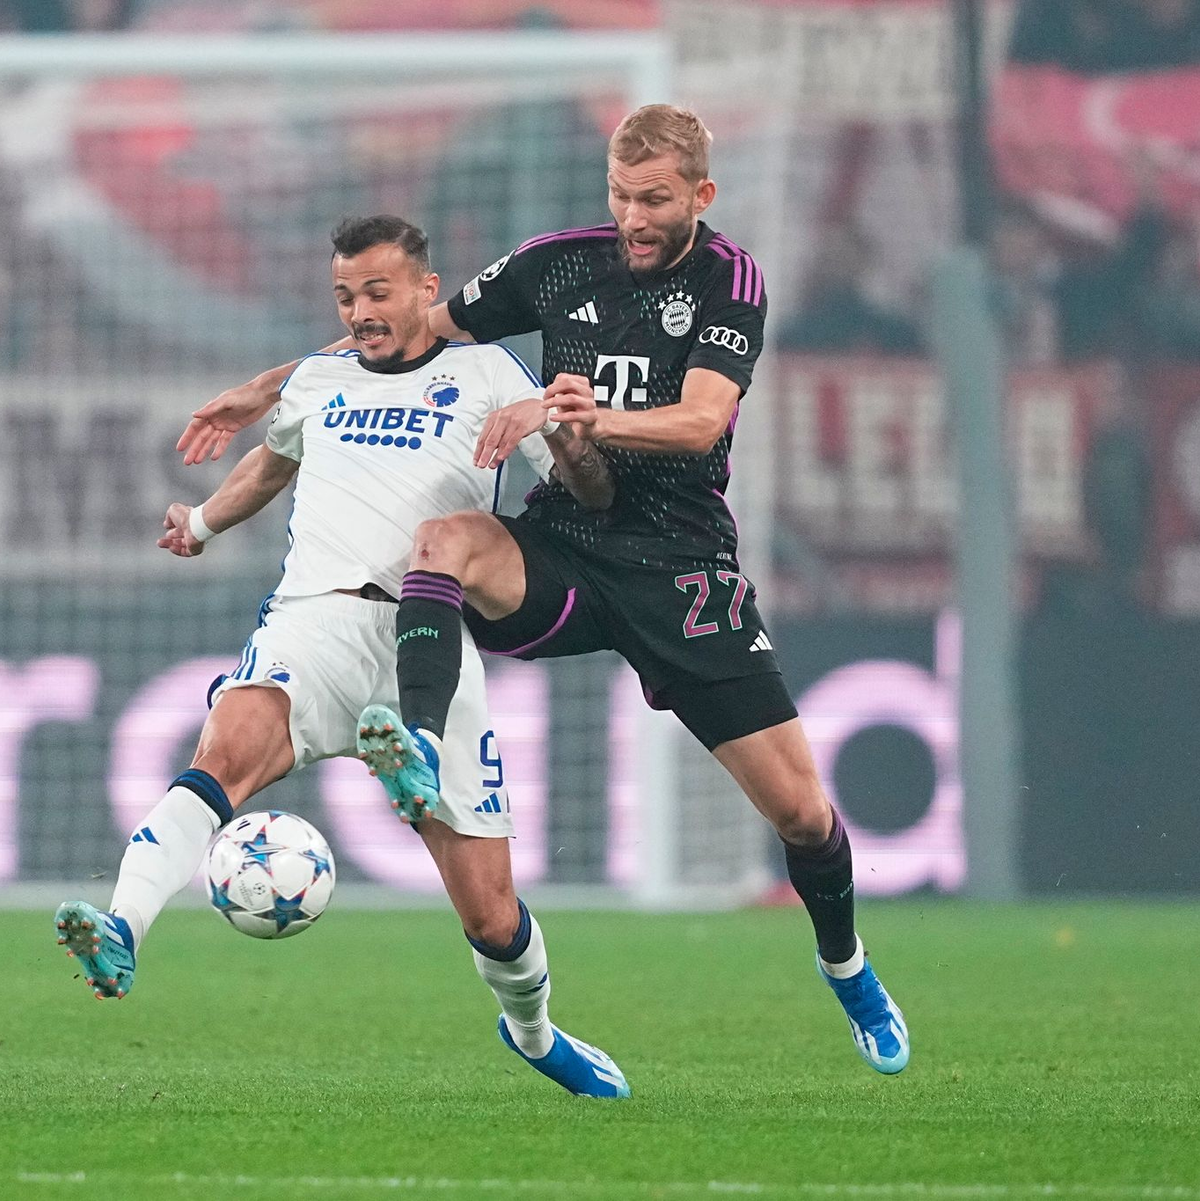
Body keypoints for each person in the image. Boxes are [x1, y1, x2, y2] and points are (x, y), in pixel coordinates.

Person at [179, 105, 911, 1077]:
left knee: (802, 817)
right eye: (621, 196)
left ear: (702, 195)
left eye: (655, 199)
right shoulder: (560, 264)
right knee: (440, 542)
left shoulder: (731, 282)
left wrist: (579, 412)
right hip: (564, 542)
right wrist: (268, 388)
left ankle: (848, 965)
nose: (635, 217)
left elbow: (699, 423)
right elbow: (399, 334)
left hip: (680, 568)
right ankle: (422, 747)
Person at [54, 214, 630, 1101]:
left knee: (491, 913)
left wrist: (566, 429)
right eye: (345, 296)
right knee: (222, 754)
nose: (361, 310)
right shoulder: (319, 381)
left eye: (377, 291)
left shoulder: (485, 373)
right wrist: (203, 523)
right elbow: (271, 464)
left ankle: (535, 1031)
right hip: (313, 620)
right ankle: (122, 928)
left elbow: (590, 491)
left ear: (427, 292)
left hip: (428, 629)